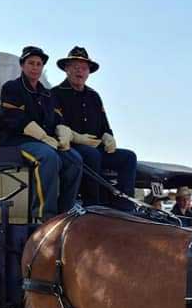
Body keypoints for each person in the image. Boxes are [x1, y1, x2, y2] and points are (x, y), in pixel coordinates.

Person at [0, 45, 82, 221]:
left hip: (43, 144)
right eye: (31, 63)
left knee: (75, 159)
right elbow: (13, 118)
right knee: (48, 157)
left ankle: (65, 214)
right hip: (15, 142)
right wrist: (42, 136)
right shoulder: (12, 88)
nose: (35, 67)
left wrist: (63, 135)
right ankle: (45, 216)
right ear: (22, 65)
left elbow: (58, 120)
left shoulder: (47, 94)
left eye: (39, 64)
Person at [51, 46, 137, 211]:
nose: (80, 71)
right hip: (70, 150)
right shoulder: (55, 94)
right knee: (92, 155)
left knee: (128, 157)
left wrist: (108, 136)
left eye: (84, 68)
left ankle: (125, 207)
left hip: (96, 148)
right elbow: (54, 124)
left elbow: (105, 126)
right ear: (66, 69)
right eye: (75, 67)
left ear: (89, 72)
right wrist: (76, 137)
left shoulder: (93, 96)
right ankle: (94, 205)